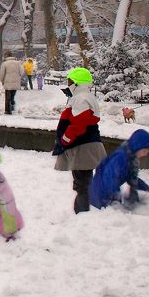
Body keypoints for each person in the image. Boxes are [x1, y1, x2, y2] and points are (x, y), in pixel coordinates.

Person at [52, 67, 107, 214]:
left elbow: (79, 123)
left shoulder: (81, 98)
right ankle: (86, 211)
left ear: (76, 83)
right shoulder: (83, 97)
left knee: (82, 183)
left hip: (82, 145)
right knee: (84, 181)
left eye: (69, 81)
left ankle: (83, 213)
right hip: (85, 144)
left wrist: (65, 138)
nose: (68, 84)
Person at [89, 129, 149, 209]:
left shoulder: (130, 158)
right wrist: (116, 201)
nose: (145, 154)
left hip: (107, 195)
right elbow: (110, 179)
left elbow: (132, 179)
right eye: (144, 151)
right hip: (99, 197)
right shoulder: (120, 158)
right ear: (137, 146)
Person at [0, 50, 22, 115]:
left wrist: (2, 81)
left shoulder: (4, 63)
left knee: (7, 97)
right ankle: (13, 107)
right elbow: (22, 72)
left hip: (7, 83)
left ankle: (8, 111)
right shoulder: (18, 63)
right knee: (12, 96)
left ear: (6, 56)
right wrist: (18, 77)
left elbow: (2, 74)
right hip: (16, 83)